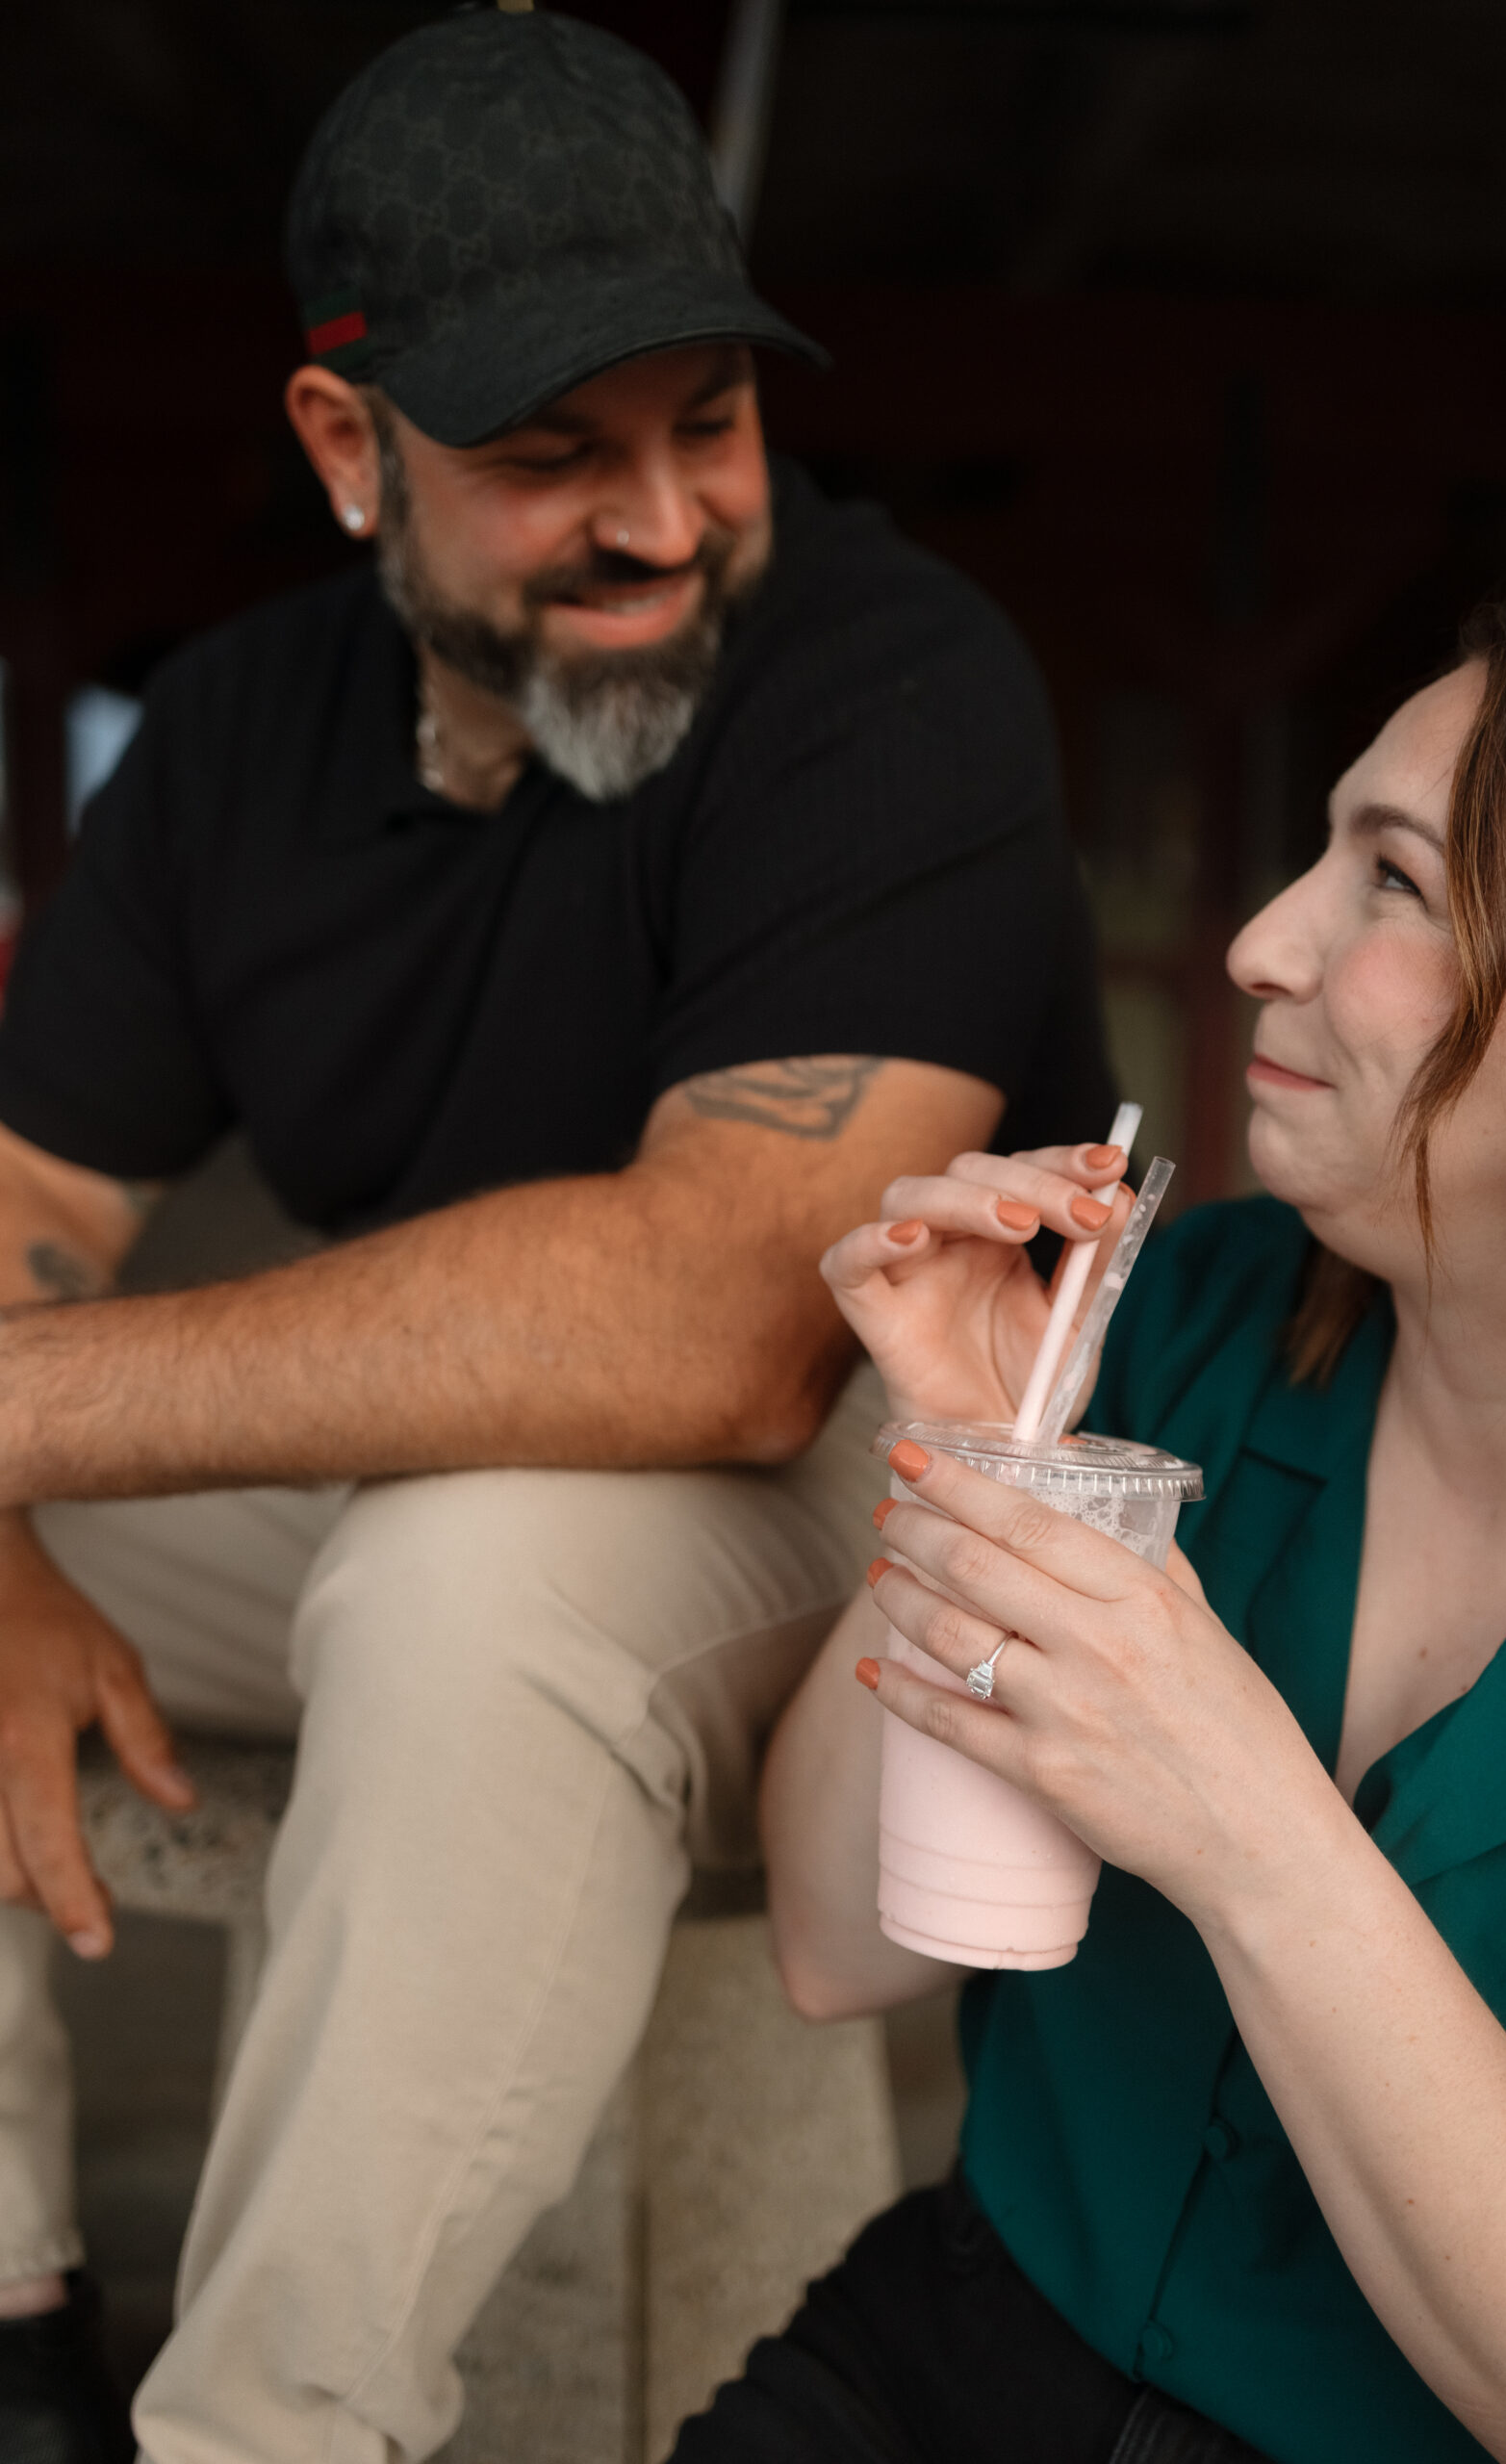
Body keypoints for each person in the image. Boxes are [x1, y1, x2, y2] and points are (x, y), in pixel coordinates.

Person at [0, 13, 1112, 2463]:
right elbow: (31, 1207)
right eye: (545, 458)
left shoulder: (891, 678)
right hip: (448, 1457)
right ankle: (18, 2325)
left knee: (470, 1574)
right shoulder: (230, 738)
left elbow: (721, 1324)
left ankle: (267, 2437)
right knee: (411, 1521)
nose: (661, 517)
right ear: (340, 449)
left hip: (883, 1490)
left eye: (703, 422)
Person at [686, 592, 1506, 2464]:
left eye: (1389, 880)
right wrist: (977, 1441)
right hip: (939, 2352)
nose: (1255, 939)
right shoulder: (1193, 1317)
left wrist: (1236, 1811)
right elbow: (833, 1938)